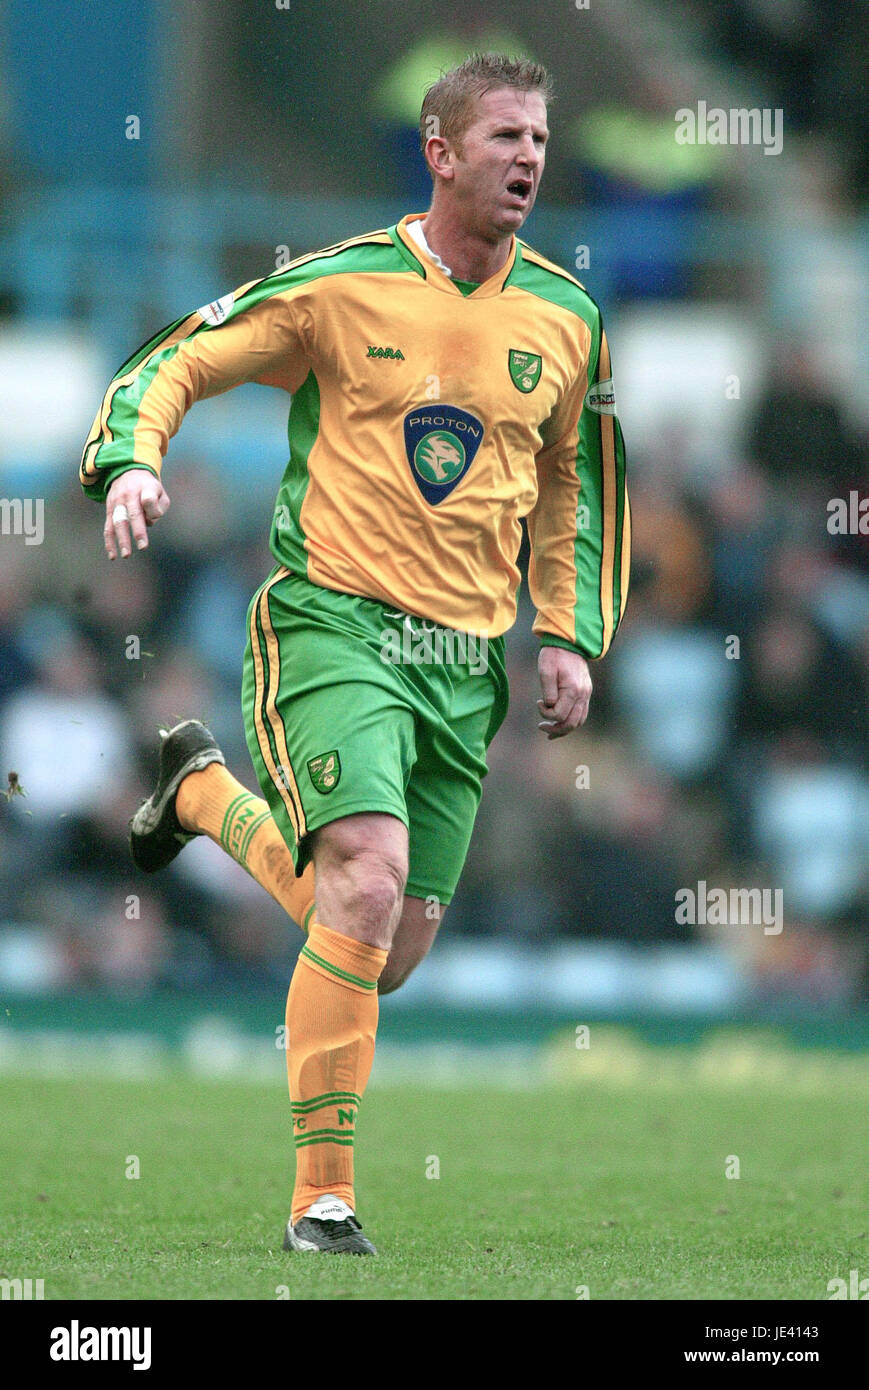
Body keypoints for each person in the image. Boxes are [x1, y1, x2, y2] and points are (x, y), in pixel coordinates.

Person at [80, 53, 630, 1255]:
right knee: (367, 881)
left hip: (466, 664)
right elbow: (185, 354)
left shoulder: (566, 318)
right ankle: (320, 1201)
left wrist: (568, 634)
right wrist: (134, 456)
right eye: (501, 136)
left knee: (384, 948)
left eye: (538, 137)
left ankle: (203, 794)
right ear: (439, 154)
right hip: (332, 625)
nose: (528, 156)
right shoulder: (339, 288)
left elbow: (572, 493)